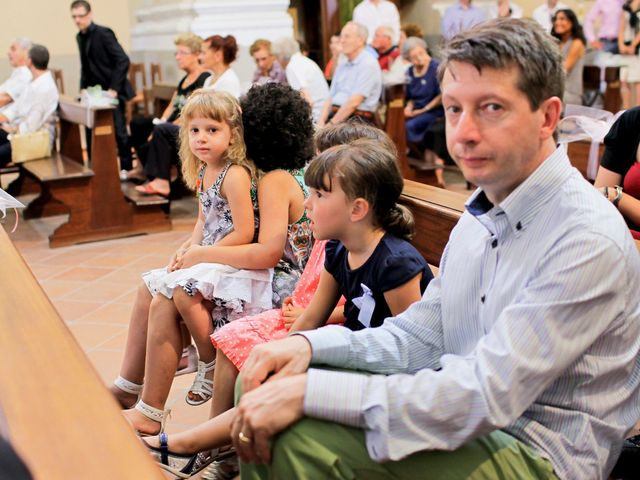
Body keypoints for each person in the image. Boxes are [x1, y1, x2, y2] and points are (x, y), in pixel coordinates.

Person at [232, 18, 640, 480]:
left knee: (299, 428)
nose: (463, 133)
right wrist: (308, 346)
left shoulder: (585, 237)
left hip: (538, 453)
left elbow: (487, 392)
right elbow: (419, 337)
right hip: (470, 414)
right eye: (452, 109)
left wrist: (311, 394)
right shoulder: (479, 217)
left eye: (490, 108)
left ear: (547, 117)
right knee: (263, 378)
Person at [141, 123, 433, 479]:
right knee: (266, 368)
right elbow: (309, 322)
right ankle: (203, 449)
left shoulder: (396, 264)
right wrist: (281, 353)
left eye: (318, 196)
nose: (306, 204)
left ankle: (185, 446)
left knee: (279, 387)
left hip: (383, 370)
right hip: (350, 350)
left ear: (357, 209)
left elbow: (412, 345)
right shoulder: (339, 251)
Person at [117, 83, 315, 435]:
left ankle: (152, 407)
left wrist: (201, 255)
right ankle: (132, 390)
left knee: (171, 296)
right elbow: (208, 222)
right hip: (275, 272)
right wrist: (191, 253)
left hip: (281, 285)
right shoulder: (292, 172)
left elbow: (266, 251)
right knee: (156, 290)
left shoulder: (273, 180)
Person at [126, 33, 209, 184]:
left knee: (159, 131)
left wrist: (164, 127)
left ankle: (162, 179)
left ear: (197, 54)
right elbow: (172, 105)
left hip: (185, 129)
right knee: (138, 123)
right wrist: (160, 122)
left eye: (182, 53)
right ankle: (141, 169)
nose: (177, 57)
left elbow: (193, 114)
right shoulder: (185, 79)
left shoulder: (204, 78)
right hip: (169, 125)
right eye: (176, 53)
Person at [70, 0, 135, 171]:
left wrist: (114, 89)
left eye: (81, 16)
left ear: (90, 14)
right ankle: (96, 167)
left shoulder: (103, 33)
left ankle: (126, 169)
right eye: (74, 17)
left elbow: (122, 59)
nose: (77, 20)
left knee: (120, 131)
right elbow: (85, 66)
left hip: (113, 90)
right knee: (92, 129)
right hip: (95, 93)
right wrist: (82, 88)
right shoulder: (79, 37)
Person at [0, 45, 58, 167]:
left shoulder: (45, 88)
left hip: (35, 141)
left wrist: (13, 130)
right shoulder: (34, 81)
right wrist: (4, 120)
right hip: (20, 134)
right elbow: (17, 108)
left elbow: (32, 125)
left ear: (30, 61)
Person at [318, 22, 382, 127]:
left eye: (346, 37)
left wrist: (331, 125)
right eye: (341, 37)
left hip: (357, 119)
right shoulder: (342, 63)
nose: (341, 41)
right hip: (338, 116)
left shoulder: (368, 64)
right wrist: (321, 121)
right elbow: (330, 97)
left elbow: (354, 103)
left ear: (360, 40)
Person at [402, 37, 446, 187]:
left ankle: (414, 155)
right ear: (408, 59)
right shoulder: (410, 72)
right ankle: (413, 161)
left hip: (434, 110)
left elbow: (441, 95)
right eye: (414, 57)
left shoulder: (436, 67)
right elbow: (410, 97)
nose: (419, 58)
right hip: (417, 110)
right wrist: (409, 107)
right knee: (397, 123)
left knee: (409, 126)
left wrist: (424, 110)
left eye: (421, 53)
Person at [594, 106, 640, 239]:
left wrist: (618, 197)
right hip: (618, 237)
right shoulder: (631, 121)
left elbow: (607, 193)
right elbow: (600, 197)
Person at [271, 37, 329, 123]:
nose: (276, 61)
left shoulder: (292, 66)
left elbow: (306, 100)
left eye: (276, 57)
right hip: (324, 111)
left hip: (317, 117)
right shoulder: (304, 61)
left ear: (281, 56)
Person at [552, 9, 586, 105]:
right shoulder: (556, 42)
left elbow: (564, 69)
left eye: (562, 19)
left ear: (572, 22)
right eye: (556, 19)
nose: (557, 22)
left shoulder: (577, 43)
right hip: (556, 91)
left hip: (569, 94)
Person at [616, 0, 640, 109]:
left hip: (637, 49)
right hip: (625, 46)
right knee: (623, 79)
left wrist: (633, 45)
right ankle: (625, 109)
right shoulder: (625, 7)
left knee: (637, 80)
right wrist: (621, 45)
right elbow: (621, 28)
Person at [0, 38, 32, 113]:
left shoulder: (25, 75)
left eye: (13, 49)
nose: (8, 53)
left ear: (26, 52)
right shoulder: (18, 72)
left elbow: (4, 99)